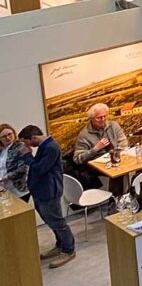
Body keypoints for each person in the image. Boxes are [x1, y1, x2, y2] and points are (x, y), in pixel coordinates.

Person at [18, 125, 76, 267]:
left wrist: (27, 155)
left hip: (49, 191)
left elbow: (39, 169)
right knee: (50, 220)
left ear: (34, 138)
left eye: (26, 142)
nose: (26, 146)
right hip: (41, 191)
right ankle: (60, 244)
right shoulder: (45, 146)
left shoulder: (51, 147)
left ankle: (68, 250)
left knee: (57, 222)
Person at [74, 103, 128, 198]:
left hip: (117, 159)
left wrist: (117, 154)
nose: (103, 119)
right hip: (97, 166)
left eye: (104, 116)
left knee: (133, 167)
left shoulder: (113, 126)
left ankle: (130, 196)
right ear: (91, 118)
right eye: (99, 118)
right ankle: (116, 202)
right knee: (116, 172)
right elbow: (78, 158)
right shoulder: (84, 135)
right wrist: (95, 149)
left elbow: (123, 143)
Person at [0, 123, 29, 201]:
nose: (8, 138)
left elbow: (23, 168)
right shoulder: (2, 150)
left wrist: (4, 178)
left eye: (9, 134)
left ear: (14, 133)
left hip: (19, 189)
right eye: (4, 136)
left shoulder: (20, 146)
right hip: (5, 189)